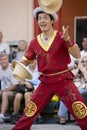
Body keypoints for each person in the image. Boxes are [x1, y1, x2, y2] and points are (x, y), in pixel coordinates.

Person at [12, 7, 87, 130]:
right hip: (45, 82)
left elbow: (77, 55)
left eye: (45, 18)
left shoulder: (62, 37)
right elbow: (26, 59)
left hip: (63, 80)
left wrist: (68, 39)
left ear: (52, 20)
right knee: (29, 112)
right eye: (39, 18)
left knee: (81, 111)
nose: (42, 20)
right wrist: (17, 65)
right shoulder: (34, 42)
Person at [58, 55, 87, 125]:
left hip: (85, 89)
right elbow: (69, 79)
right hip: (76, 88)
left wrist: (83, 71)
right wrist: (77, 69)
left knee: (79, 92)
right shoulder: (77, 68)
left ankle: (79, 117)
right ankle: (62, 116)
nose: (84, 63)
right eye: (82, 61)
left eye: (86, 61)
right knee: (66, 92)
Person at [11, 59, 40, 124]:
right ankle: (15, 116)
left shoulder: (39, 69)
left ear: (36, 60)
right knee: (18, 96)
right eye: (31, 60)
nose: (32, 62)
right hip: (25, 88)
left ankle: (30, 116)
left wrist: (33, 86)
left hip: (36, 88)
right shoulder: (25, 69)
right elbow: (20, 81)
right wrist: (26, 83)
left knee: (27, 95)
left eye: (34, 60)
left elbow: (41, 81)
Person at [0, 54, 18, 123]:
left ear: (8, 60)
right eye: (1, 60)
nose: (3, 61)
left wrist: (3, 91)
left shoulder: (11, 68)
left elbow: (15, 85)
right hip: (4, 90)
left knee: (4, 94)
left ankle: (1, 116)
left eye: (5, 59)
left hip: (15, 91)